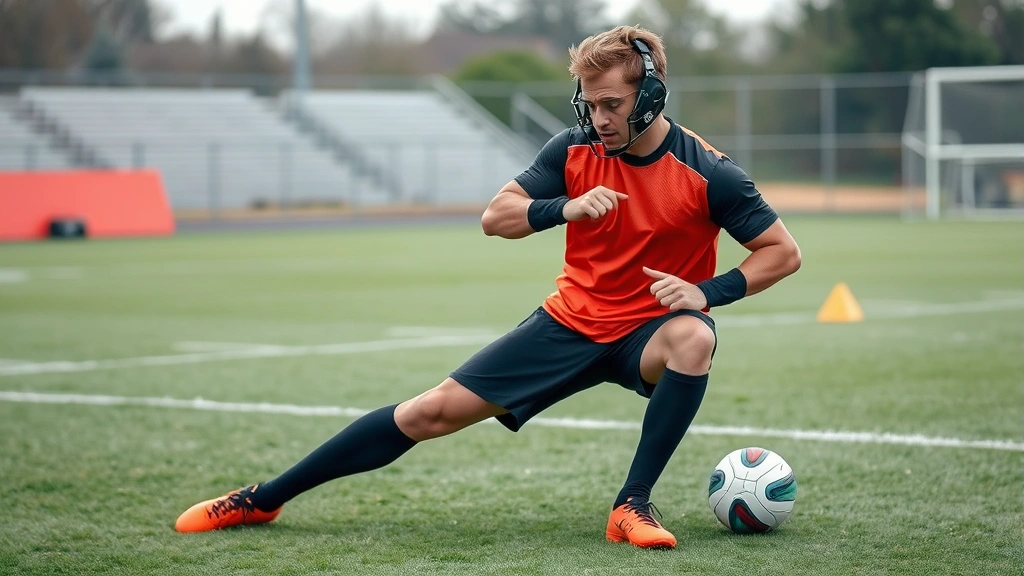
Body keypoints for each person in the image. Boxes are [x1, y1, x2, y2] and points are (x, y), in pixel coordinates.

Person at [174, 25, 801, 549]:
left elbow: (782, 252)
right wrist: (564, 208)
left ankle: (631, 505)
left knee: (693, 339)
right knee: (428, 413)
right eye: (590, 102)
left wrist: (707, 291)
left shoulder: (709, 172)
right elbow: (494, 216)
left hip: (648, 332)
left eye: (612, 103)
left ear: (653, 93)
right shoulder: (573, 149)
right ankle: (262, 500)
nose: (599, 116)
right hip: (568, 323)